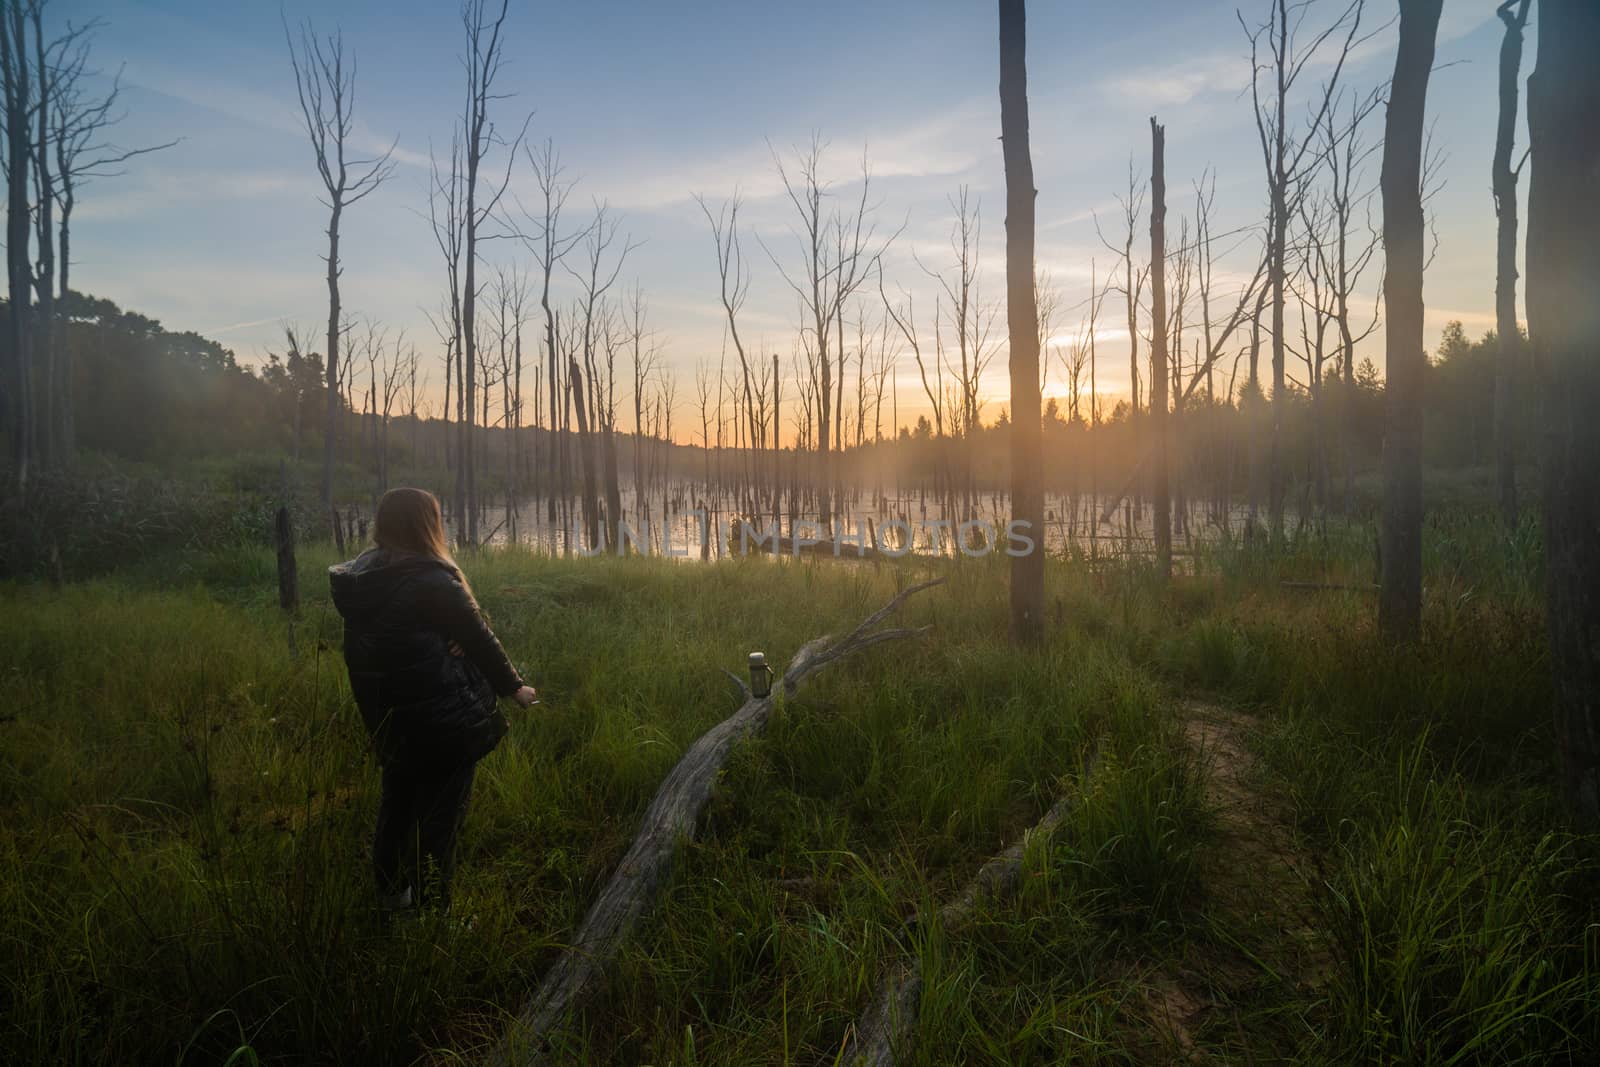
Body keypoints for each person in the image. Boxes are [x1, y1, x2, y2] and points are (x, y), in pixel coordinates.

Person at [330, 487, 538, 917]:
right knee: (440, 823)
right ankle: (433, 919)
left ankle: (393, 903)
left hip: (389, 719)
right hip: (441, 724)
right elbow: (479, 637)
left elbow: (404, 638)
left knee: (397, 808)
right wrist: (514, 687)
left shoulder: (363, 577)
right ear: (428, 525)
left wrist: (447, 641)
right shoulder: (432, 579)